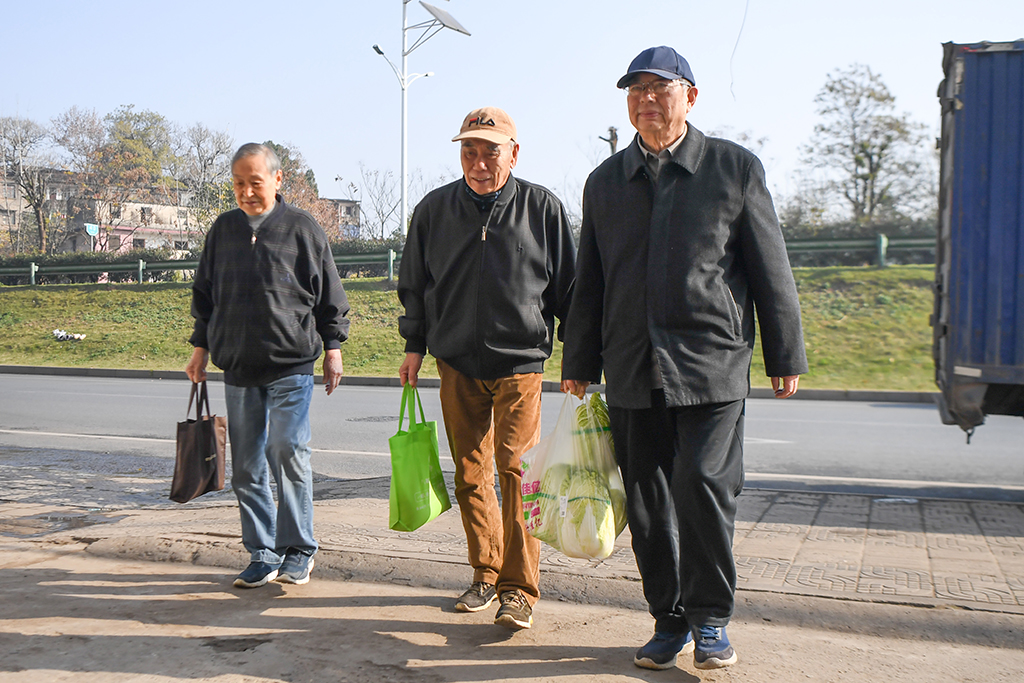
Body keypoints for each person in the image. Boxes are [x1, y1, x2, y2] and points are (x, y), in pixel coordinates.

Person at [562, 46, 808, 670]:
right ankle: (668, 619)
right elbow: (590, 279)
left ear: (689, 97)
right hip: (632, 366)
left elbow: (769, 266)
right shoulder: (605, 182)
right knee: (645, 502)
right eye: (635, 89)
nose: (647, 99)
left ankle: (712, 619)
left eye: (660, 88)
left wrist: (784, 349)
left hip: (710, 362)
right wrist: (580, 359)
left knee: (703, 486)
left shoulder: (733, 168)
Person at [397, 106, 576, 630]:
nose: (478, 162)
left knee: (517, 472)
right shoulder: (434, 210)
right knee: (470, 473)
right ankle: (485, 572)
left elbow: (570, 288)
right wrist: (415, 345)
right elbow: (416, 284)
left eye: (490, 151)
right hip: (456, 361)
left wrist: (579, 357)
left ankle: (519, 590)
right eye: (469, 151)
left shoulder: (542, 208)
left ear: (513, 153)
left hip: (520, 363)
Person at [186, 142, 350, 589]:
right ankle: (263, 552)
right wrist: (200, 347)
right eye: (238, 183)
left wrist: (333, 346)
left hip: (291, 364)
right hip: (238, 367)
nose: (246, 191)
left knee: (287, 450)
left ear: (277, 180)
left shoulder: (302, 228)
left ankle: (299, 550)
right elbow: (205, 295)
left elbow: (329, 295)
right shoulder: (222, 230)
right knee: (246, 468)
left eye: (254, 182)